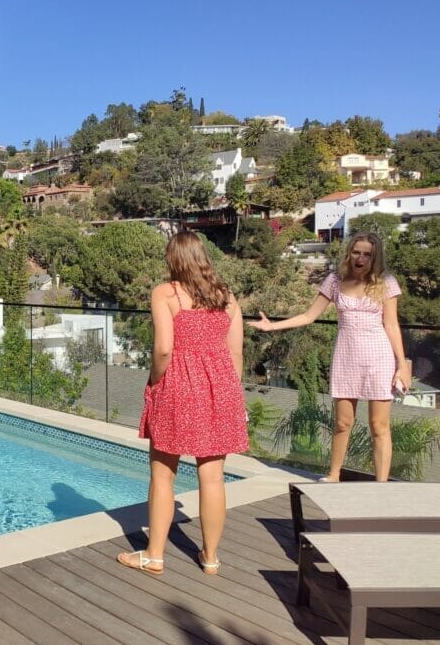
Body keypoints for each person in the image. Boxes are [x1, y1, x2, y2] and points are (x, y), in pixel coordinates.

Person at [117, 231, 248, 577]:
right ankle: (211, 558)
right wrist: (229, 393)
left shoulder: (166, 293)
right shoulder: (227, 297)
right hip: (220, 386)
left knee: (163, 474)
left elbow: (163, 349)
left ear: (173, 259)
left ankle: (154, 555)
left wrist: (155, 380)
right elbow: (236, 353)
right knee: (213, 477)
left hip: (177, 384)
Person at [248, 232, 407, 482]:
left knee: (379, 426)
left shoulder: (386, 282)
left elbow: (392, 325)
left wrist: (402, 365)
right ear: (349, 253)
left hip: (379, 358)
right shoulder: (335, 280)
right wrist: (272, 327)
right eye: (357, 252)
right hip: (346, 357)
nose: (361, 258)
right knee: (343, 422)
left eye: (367, 254)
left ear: (375, 257)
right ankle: (333, 475)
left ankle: (382, 485)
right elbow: (308, 316)